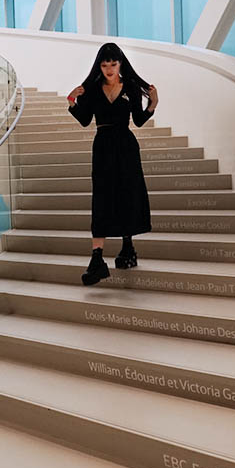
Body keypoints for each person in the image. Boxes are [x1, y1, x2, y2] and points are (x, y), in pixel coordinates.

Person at [67, 42, 159, 286]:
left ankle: (128, 247)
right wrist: (73, 101)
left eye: (113, 64)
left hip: (127, 147)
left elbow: (138, 121)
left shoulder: (129, 86)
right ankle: (97, 259)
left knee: (127, 194)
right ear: (100, 65)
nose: (109, 68)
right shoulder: (93, 89)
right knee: (103, 198)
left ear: (120, 64)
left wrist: (152, 105)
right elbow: (85, 121)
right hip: (103, 147)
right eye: (104, 64)